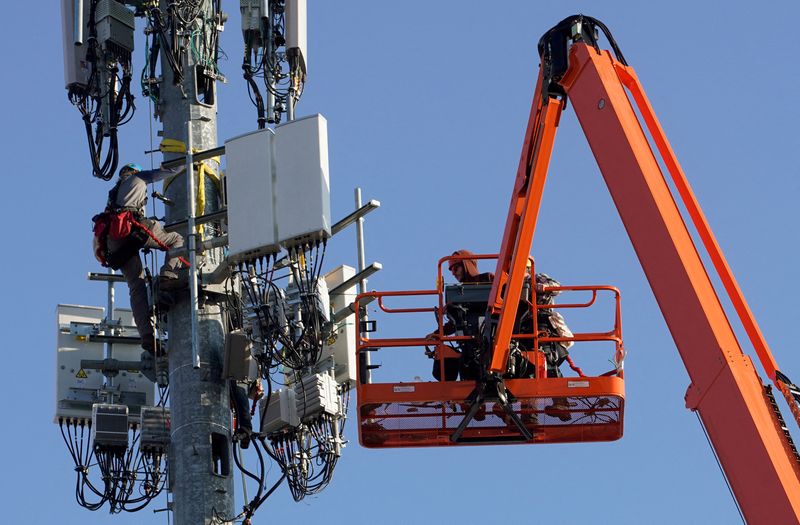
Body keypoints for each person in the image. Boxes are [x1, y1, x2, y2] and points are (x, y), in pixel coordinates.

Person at [96, 162, 186, 355]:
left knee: (136, 286)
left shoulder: (113, 194)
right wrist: (187, 161)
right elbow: (166, 172)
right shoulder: (138, 178)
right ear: (133, 172)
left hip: (115, 241)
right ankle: (167, 276)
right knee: (177, 240)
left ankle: (146, 335)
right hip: (134, 226)